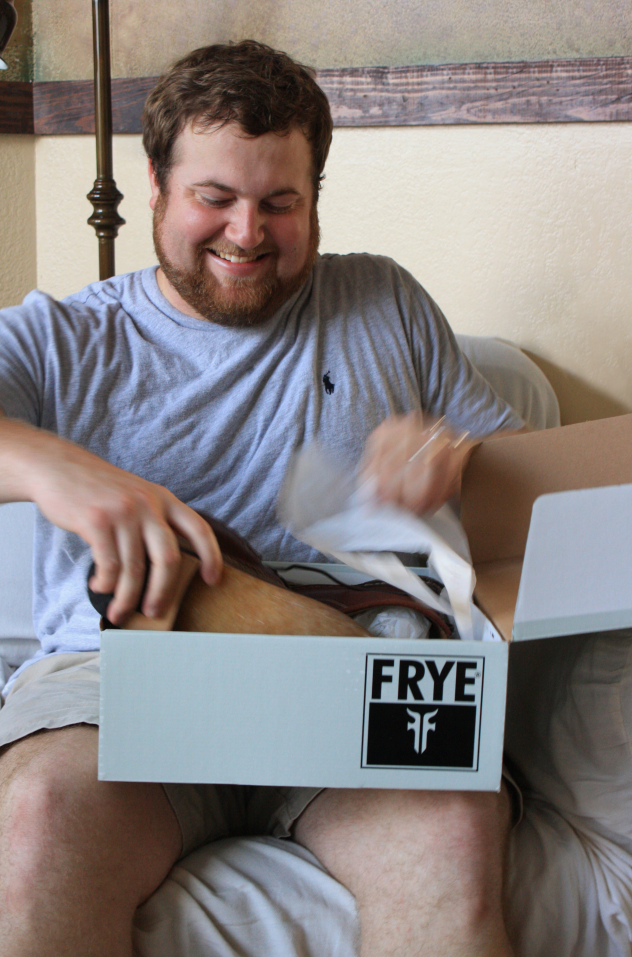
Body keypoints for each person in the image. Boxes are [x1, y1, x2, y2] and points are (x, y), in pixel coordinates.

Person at [0, 40, 526, 957]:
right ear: (155, 186)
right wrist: (49, 465)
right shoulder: (62, 338)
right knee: (39, 816)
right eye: (214, 197)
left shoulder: (386, 301)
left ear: (314, 197)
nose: (247, 233)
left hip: (359, 667)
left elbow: (528, 498)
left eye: (280, 203)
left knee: (453, 827)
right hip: (122, 676)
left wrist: (458, 465)